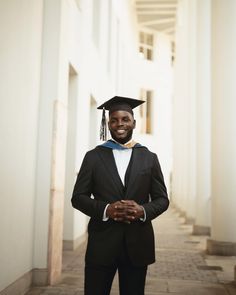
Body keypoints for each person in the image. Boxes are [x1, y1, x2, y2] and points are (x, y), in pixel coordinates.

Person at [71, 96, 169, 295]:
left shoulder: (149, 157)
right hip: (102, 243)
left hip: (137, 244)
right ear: (108, 124)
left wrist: (142, 210)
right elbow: (78, 197)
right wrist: (107, 209)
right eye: (114, 120)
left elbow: (162, 199)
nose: (119, 124)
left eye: (125, 119)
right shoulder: (94, 156)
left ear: (134, 122)